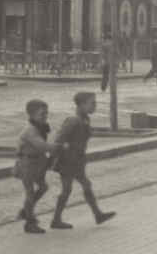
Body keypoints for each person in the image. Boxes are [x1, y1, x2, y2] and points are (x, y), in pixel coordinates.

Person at [50, 90, 116, 229]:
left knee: (85, 185)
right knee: (67, 189)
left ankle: (98, 214)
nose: (95, 106)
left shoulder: (85, 119)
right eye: (92, 103)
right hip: (67, 161)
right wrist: (59, 153)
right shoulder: (73, 120)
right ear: (80, 105)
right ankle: (56, 220)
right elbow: (59, 139)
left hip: (78, 160)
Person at [15, 99, 60, 234]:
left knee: (43, 187)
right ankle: (30, 223)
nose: (45, 116)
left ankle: (25, 211)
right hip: (27, 164)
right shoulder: (30, 131)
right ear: (32, 115)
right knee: (29, 193)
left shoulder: (39, 128)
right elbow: (42, 146)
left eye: (46, 113)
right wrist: (58, 147)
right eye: (42, 114)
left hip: (37, 163)